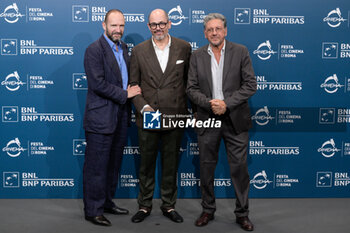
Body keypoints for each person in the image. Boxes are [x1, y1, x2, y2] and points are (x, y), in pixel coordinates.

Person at [186, 13, 257, 231]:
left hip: (235, 119)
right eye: (210, 29)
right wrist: (210, 104)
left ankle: (242, 214)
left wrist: (226, 103)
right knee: (206, 168)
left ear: (225, 31)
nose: (214, 33)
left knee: (239, 169)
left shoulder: (241, 51)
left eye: (218, 29)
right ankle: (208, 210)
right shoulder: (196, 56)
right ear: (204, 33)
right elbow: (191, 89)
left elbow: (250, 85)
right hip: (207, 119)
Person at [129, 8, 191, 223]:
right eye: (154, 24)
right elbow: (133, 85)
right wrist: (144, 108)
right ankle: (145, 205)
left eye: (162, 23)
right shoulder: (138, 51)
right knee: (146, 164)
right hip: (149, 114)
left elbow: (189, 83)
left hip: (175, 115)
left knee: (170, 164)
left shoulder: (184, 48)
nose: (158, 28)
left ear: (169, 24)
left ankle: (168, 205)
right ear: (148, 26)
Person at [83, 9, 141, 226]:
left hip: (120, 117)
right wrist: (125, 94)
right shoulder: (93, 50)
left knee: (113, 166)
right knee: (96, 167)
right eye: (114, 25)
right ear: (103, 25)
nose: (118, 30)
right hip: (100, 119)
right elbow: (97, 84)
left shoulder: (123, 48)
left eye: (121, 26)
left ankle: (106, 202)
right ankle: (93, 210)